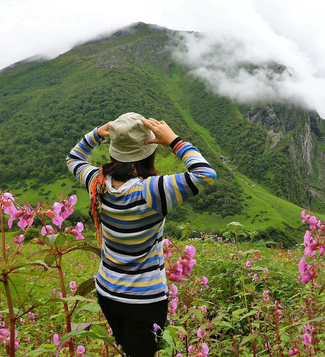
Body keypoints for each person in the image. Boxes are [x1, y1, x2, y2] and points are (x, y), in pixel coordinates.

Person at [66, 112, 216, 356]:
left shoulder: (97, 182)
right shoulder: (153, 191)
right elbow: (204, 173)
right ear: (149, 151)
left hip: (107, 291)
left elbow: (73, 158)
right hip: (144, 300)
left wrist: (95, 134)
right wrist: (174, 141)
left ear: (114, 150)